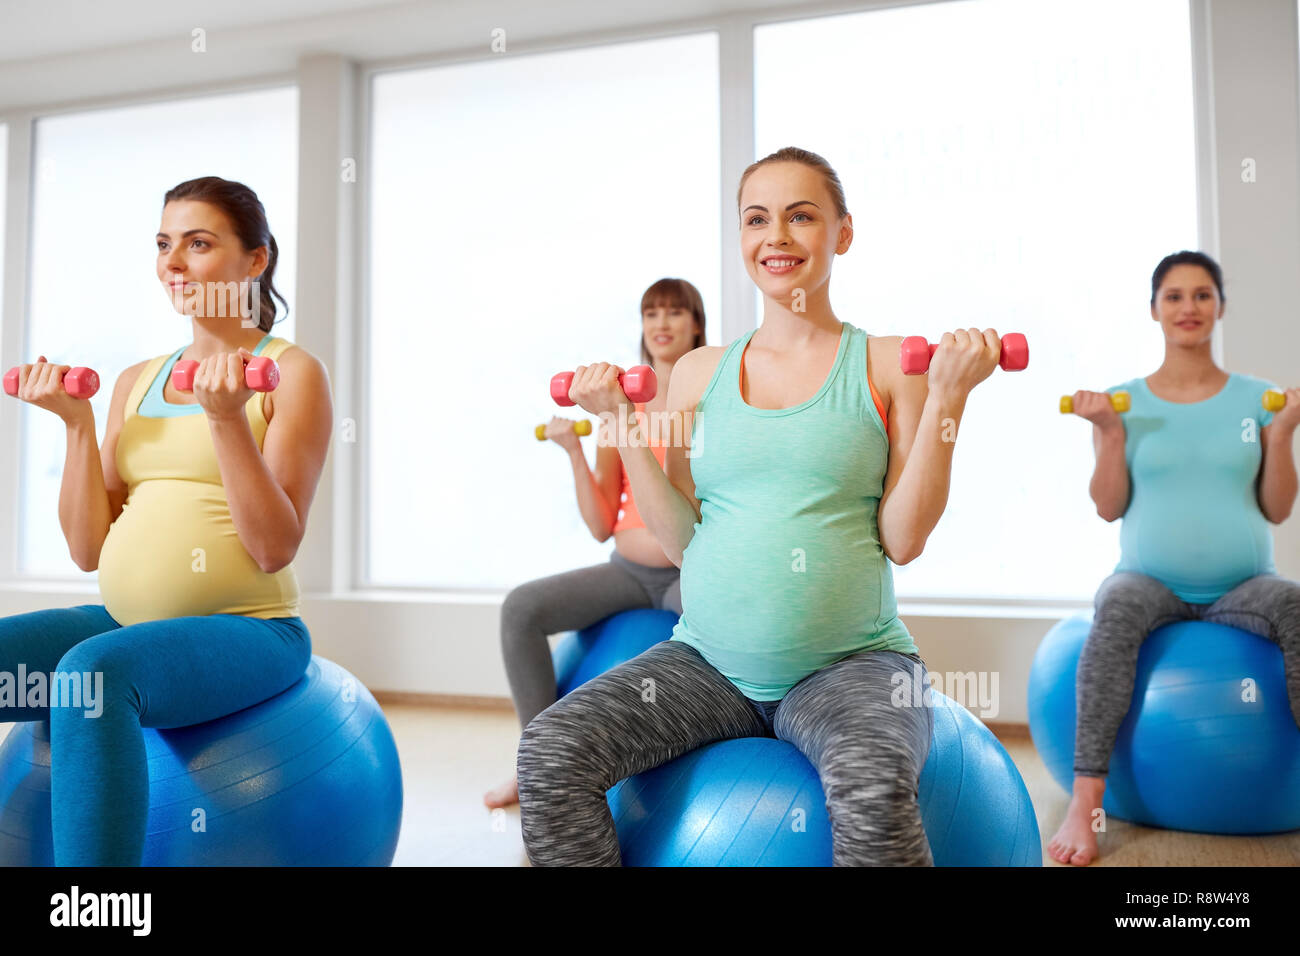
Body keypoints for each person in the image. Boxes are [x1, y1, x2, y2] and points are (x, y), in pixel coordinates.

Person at [515, 146, 1013, 865]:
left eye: (801, 216)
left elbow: (903, 540)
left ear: (842, 232)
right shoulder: (697, 372)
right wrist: (620, 424)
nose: (776, 236)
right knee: (551, 750)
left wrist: (948, 399)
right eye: (757, 219)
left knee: (873, 785)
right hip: (707, 663)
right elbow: (682, 538)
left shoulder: (886, 363)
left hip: (852, 666)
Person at [0, 176, 333, 866]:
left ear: (255, 259)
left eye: (199, 243)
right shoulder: (137, 379)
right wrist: (76, 426)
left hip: (251, 631)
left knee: (91, 677)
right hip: (126, 624)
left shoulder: (289, 373)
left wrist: (224, 417)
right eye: (163, 245)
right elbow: (89, 548)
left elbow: (273, 547)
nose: (173, 264)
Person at [1050, 250, 1300, 866]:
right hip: (1149, 582)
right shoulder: (1123, 404)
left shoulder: (1257, 401)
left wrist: (1283, 434)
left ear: (1219, 307)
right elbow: (1109, 508)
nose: (1189, 307)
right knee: (1115, 606)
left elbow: (1276, 508)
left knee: (1296, 605)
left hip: (1242, 586)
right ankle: (1087, 804)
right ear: (1155, 310)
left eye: (1202, 295)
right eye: (1175, 296)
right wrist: (1109, 433)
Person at [484, 279, 705, 809]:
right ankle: (535, 762)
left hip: (691, 573)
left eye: (675, 312)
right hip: (627, 573)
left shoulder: (708, 395)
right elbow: (601, 523)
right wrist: (573, 453)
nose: (661, 324)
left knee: (732, 633)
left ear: (696, 323)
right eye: (651, 313)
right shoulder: (618, 406)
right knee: (522, 608)